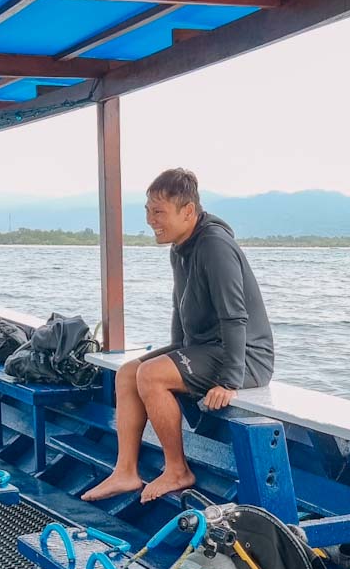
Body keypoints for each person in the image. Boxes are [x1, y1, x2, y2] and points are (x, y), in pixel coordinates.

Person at [83, 168, 274, 504]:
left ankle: (177, 470)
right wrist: (170, 355)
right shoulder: (180, 248)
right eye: (147, 211)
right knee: (129, 373)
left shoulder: (214, 245)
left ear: (188, 211)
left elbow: (234, 316)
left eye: (158, 212)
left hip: (244, 356)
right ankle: (125, 471)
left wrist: (230, 381)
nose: (150, 220)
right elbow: (180, 309)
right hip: (205, 349)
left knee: (151, 376)